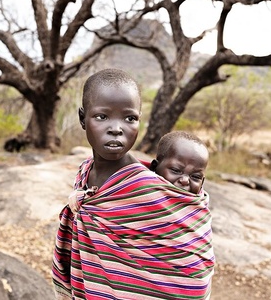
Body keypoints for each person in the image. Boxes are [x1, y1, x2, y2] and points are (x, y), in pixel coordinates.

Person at [52, 68, 214, 300]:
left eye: (130, 118)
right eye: (102, 116)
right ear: (82, 118)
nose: (116, 128)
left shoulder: (149, 187)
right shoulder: (84, 171)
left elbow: (189, 263)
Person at [149, 131, 208, 195]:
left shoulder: (200, 203)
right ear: (154, 167)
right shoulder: (140, 192)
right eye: (176, 170)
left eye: (195, 177)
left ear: (202, 182)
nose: (185, 181)